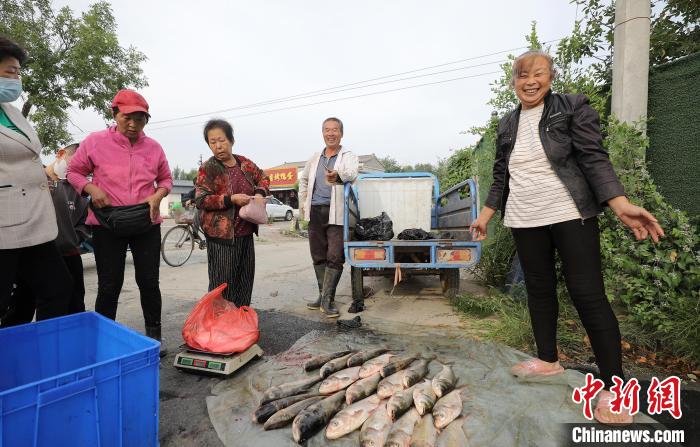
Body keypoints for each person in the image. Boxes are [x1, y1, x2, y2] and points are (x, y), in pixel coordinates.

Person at [469, 50, 664, 425]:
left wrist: (620, 204)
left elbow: (593, 157)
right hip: (525, 218)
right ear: (514, 82)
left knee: (588, 295)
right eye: (522, 75)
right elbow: (500, 176)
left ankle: (614, 387)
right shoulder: (507, 123)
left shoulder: (572, 107)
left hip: (570, 213)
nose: (530, 81)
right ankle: (548, 360)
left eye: (538, 73)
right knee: (539, 291)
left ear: (551, 77)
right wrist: (485, 216)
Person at [67, 89, 172, 354]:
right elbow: (74, 172)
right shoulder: (95, 142)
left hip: (146, 221)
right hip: (107, 224)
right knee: (109, 284)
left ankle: (155, 338)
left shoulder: (154, 147)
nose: (134, 124)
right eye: (128, 117)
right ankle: (102, 341)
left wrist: (157, 196)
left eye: (141, 118)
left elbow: (166, 179)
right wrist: (92, 190)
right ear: (114, 114)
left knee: (149, 282)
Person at [0, 36, 71, 323]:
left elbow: (26, 156)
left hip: (32, 220)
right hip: (4, 224)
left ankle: (36, 355)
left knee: (57, 289)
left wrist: (46, 171)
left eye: (18, 71)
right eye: (9, 71)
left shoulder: (12, 112)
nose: (16, 78)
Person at [1, 143, 89, 327]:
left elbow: (84, 222)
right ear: (61, 154)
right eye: (75, 161)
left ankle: (58, 346)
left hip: (67, 254)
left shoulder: (79, 189)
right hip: (28, 252)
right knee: (20, 309)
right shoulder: (34, 179)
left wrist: (75, 238)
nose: (78, 168)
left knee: (70, 305)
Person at [195, 119, 269, 306]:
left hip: (245, 234)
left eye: (222, 140)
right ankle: (220, 325)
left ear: (231, 140)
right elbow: (201, 199)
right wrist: (230, 199)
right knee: (223, 285)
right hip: (221, 238)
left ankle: (240, 323)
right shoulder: (208, 168)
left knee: (244, 281)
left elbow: (263, 177)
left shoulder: (244, 163)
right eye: (213, 142)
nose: (218, 146)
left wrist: (260, 192)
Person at [299, 117, 359, 317]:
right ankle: (322, 295)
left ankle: (328, 299)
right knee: (318, 255)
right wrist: (303, 202)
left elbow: (351, 173)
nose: (331, 133)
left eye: (335, 130)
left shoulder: (347, 155)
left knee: (334, 256)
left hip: (336, 212)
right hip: (315, 211)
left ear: (341, 133)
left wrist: (338, 175)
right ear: (322, 133)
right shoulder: (315, 158)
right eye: (327, 130)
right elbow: (305, 180)